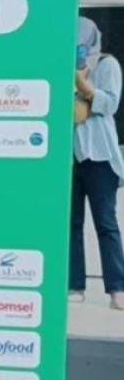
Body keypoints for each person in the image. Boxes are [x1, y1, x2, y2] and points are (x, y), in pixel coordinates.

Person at [70, 16, 124, 310]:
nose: (79, 46)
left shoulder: (107, 64)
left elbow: (110, 104)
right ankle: (75, 285)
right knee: (72, 223)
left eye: (82, 42)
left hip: (100, 156)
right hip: (70, 156)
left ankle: (117, 288)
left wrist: (82, 83)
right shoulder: (58, 64)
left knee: (106, 223)